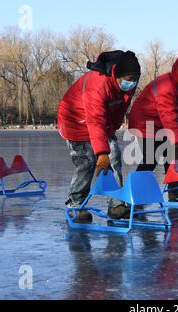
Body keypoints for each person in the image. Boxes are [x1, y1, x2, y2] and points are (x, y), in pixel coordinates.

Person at [58, 51, 141, 222]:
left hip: (101, 124)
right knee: (86, 163)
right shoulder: (97, 85)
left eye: (135, 78)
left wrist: (111, 132)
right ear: (116, 75)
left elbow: (118, 111)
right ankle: (76, 205)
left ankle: (117, 204)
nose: (131, 83)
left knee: (115, 156)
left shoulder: (128, 86)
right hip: (74, 121)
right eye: (128, 78)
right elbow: (94, 120)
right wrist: (101, 153)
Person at [129, 52, 178, 201]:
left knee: (171, 155)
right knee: (151, 158)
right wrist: (175, 141)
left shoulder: (177, 87)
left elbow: (171, 117)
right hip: (144, 123)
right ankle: (132, 193)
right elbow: (168, 118)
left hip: (157, 123)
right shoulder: (167, 88)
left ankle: (175, 190)